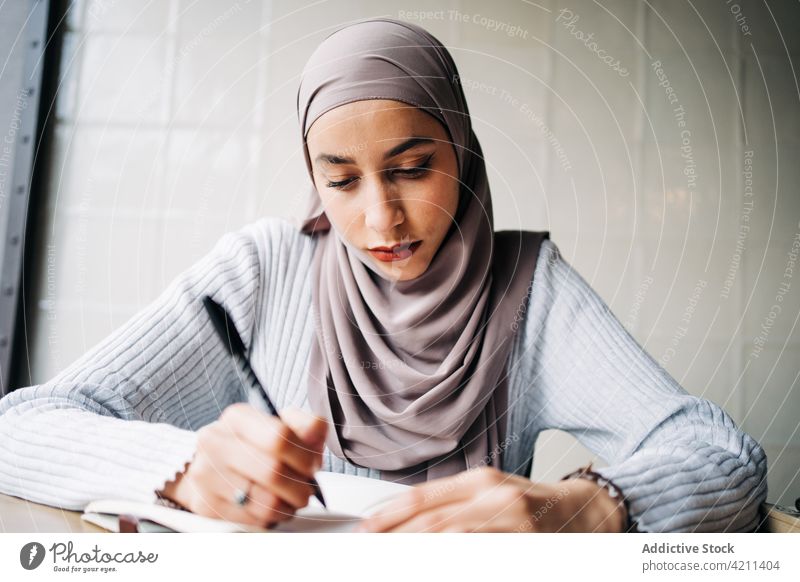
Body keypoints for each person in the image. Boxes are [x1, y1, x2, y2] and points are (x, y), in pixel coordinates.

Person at [0, 18, 766, 533]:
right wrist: (180, 469)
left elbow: (722, 454)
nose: (380, 220)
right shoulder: (263, 270)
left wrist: (587, 508)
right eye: (341, 181)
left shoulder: (530, 291)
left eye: (412, 168)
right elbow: (19, 428)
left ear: (462, 152)